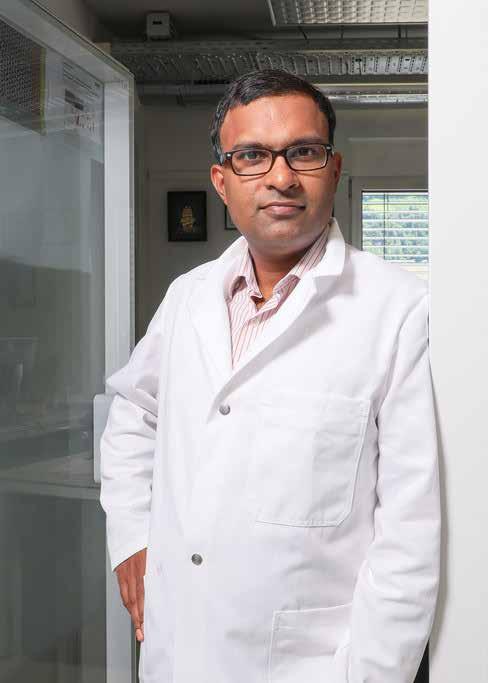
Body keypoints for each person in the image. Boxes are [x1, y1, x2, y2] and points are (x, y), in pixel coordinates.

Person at [99, 68, 441, 683]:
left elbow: (410, 538)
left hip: (305, 664)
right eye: (253, 156)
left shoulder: (399, 311)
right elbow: (133, 413)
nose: (281, 177)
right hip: (178, 652)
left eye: (303, 152)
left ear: (334, 169)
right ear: (222, 182)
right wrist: (130, 536)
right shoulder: (187, 297)